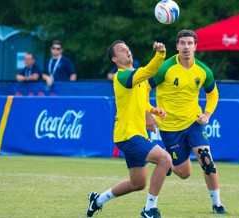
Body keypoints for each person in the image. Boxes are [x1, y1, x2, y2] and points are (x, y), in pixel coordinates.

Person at [86, 40, 171, 218]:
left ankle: (98, 200)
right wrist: (160, 54)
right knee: (165, 159)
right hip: (127, 135)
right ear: (115, 59)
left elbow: (142, 102)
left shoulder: (135, 77)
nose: (127, 51)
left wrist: (154, 110)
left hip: (136, 133)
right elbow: (149, 71)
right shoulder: (122, 76)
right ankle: (149, 210)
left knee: (138, 183)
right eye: (122, 50)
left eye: (127, 48)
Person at [147, 29, 227, 214]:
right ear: (177, 46)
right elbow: (144, 89)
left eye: (190, 43)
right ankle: (167, 163)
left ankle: (217, 204)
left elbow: (213, 94)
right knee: (185, 173)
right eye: (182, 43)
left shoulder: (204, 71)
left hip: (194, 123)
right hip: (170, 127)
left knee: (207, 161)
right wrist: (148, 114)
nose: (186, 47)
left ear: (195, 46)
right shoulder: (165, 68)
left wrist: (207, 114)